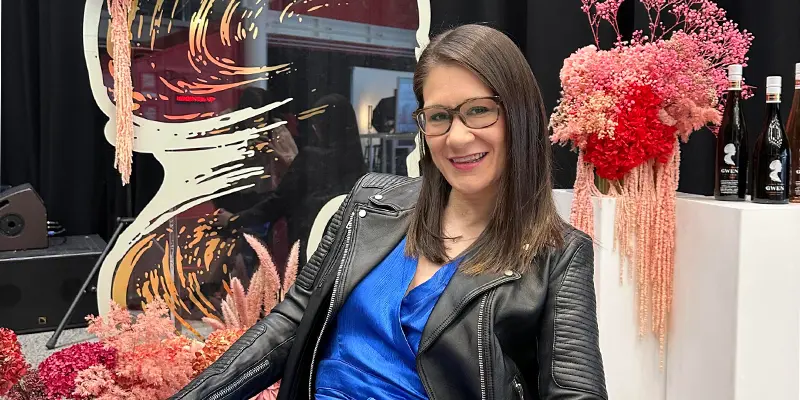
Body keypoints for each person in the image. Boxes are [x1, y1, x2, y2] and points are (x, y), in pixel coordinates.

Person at [172, 24, 607, 400]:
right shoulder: (370, 202)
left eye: (479, 111)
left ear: (520, 115)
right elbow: (288, 323)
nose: (457, 138)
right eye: (439, 116)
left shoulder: (558, 256)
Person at [214, 93, 367, 268]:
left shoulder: (309, 156)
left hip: (308, 247)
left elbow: (278, 202)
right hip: (344, 252)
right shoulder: (358, 166)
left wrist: (233, 219)